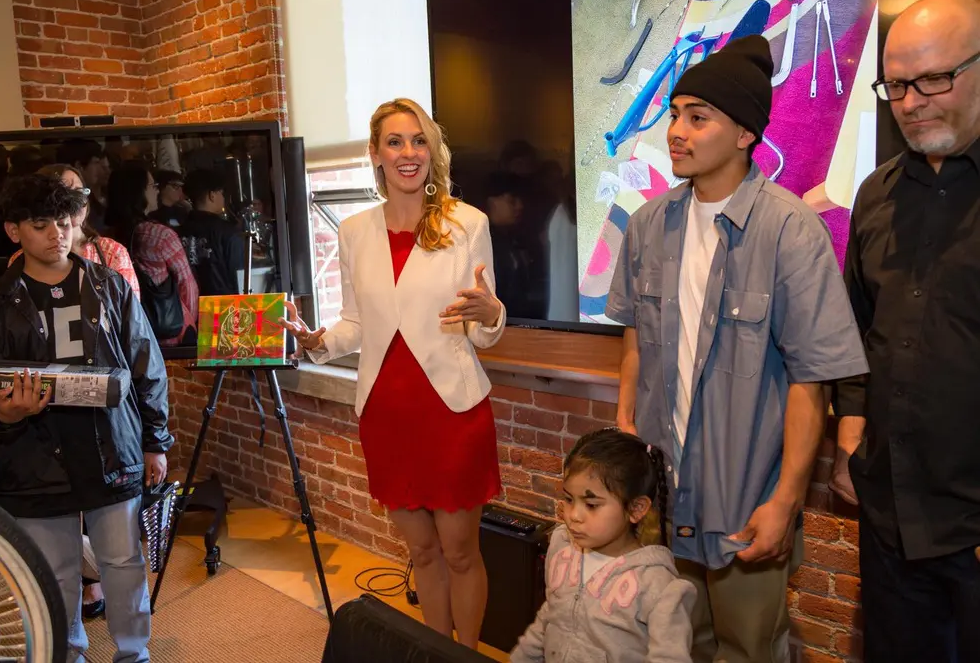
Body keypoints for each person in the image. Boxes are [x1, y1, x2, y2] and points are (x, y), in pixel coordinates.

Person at [606, 36, 868, 663]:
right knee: (672, 641)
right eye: (674, 115)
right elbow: (636, 336)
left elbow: (812, 381)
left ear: (746, 132)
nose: (677, 131)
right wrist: (624, 422)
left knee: (750, 649)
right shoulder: (648, 225)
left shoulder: (789, 229)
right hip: (663, 491)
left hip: (743, 496)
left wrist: (784, 502)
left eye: (698, 117)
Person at [280, 98, 506, 650]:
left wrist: (491, 314)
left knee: (459, 551)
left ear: (432, 151)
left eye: (419, 140)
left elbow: (485, 322)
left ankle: (465, 655)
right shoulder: (355, 230)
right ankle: (434, 652)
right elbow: (358, 322)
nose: (408, 153)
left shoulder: (466, 223)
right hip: (387, 414)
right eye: (395, 142)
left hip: (451, 410)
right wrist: (318, 342)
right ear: (376, 154)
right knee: (422, 552)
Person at [0, 173, 172, 663]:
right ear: (14, 231)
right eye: (40, 223)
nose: (57, 233)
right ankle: (66, 653)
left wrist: (156, 440)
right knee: (54, 572)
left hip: (111, 446)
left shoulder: (110, 286)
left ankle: (133, 654)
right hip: (32, 454)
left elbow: (146, 366)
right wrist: (3, 416)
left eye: (64, 220)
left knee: (122, 562)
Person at [831, 0, 980, 663]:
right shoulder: (877, 193)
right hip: (889, 515)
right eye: (896, 86)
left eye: (934, 79)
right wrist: (852, 434)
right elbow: (859, 326)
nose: (912, 102)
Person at [510, 429, 694, 662]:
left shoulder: (657, 585)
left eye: (591, 505)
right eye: (568, 499)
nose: (573, 515)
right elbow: (550, 617)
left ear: (636, 509)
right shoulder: (562, 548)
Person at [10, 164, 141, 301]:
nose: (76, 200)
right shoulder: (22, 259)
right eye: (65, 193)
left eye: (80, 192)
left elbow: (130, 312)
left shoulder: (111, 252)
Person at [105, 161, 199, 346]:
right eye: (152, 186)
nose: (157, 191)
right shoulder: (159, 235)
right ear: (137, 192)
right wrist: (188, 325)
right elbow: (187, 285)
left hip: (126, 334)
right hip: (168, 334)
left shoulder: (104, 237)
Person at [176, 167, 245, 296]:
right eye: (221, 193)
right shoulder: (227, 232)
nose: (223, 197)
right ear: (212, 195)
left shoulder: (178, 231)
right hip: (224, 308)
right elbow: (240, 278)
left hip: (188, 309)